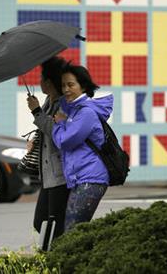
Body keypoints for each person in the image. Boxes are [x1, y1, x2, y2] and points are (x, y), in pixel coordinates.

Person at [52, 64, 113, 231]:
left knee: (73, 230)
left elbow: (65, 141)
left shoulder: (86, 113)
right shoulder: (75, 110)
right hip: (82, 178)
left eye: (71, 85)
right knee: (77, 230)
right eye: (63, 85)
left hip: (90, 178)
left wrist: (58, 124)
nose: (66, 89)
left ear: (83, 86)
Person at [26, 56, 70, 240]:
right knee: (41, 221)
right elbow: (45, 129)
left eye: (42, 78)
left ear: (50, 82)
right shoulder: (48, 101)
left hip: (60, 174)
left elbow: (56, 132)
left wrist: (36, 111)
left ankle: (57, 259)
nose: (39, 81)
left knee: (55, 224)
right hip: (47, 174)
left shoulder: (64, 105)